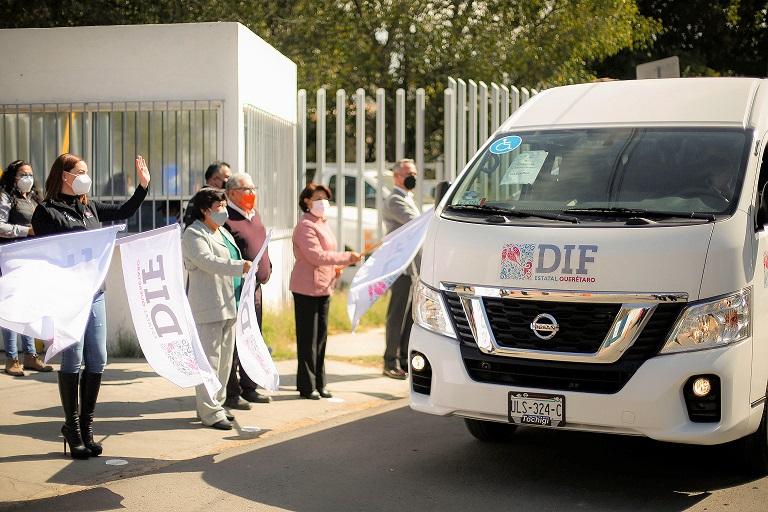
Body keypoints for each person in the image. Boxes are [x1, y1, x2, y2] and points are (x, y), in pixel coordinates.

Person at [32, 153, 150, 459]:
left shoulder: (89, 206)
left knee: (97, 358)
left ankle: (86, 426)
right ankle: (71, 428)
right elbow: (47, 254)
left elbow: (123, 211)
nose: (86, 176)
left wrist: (143, 186)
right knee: (72, 360)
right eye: (80, 171)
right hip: (67, 297)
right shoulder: (46, 211)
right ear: (64, 176)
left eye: (87, 170)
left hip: (95, 293)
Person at [181, 188, 251, 430]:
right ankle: (209, 411)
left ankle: (217, 405)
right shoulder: (193, 234)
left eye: (224, 205)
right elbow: (207, 261)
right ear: (204, 210)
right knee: (209, 362)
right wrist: (239, 267)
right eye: (218, 206)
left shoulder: (222, 231)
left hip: (228, 303)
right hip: (208, 306)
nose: (223, 210)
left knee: (223, 363)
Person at [290, 183, 360, 399]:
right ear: (306, 201)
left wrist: (336, 267)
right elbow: (316, 256)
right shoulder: (305, 226)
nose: (323, 202)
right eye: (318, 198)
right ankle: (307, 385)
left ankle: (320, 383)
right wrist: (346, 258)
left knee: (320, 338)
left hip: (324, 287)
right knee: (307, 339)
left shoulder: (322, 223)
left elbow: (326, 255)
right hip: (306, 288)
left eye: (325, 198)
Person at [223, 173, 272, 407]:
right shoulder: (226, 219)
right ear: (232, 193)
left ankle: (249, 386)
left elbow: (261, 244)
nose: (252, 193)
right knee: (234, 342)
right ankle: (231, 393)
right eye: (246, 189)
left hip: (256, 290)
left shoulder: (254, 215)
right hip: (236, 290)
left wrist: (267, 267)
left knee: (253, 338)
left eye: (254, 188)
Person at [0, 160, 52, 376]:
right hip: (9, 259)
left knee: (28, 308)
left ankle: (30, 356)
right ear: (13, 177)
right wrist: (25, 231)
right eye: (23, 174)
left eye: (30, 174)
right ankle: (12, 358)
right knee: (12, 309)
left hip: (31, 260)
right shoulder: (4, 197)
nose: (28, 178)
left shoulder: (32, 199)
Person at [381, 159, 420, 379]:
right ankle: (390, 361)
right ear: (396, 176)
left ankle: (404, 358)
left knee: (409, 315)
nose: (412, 176)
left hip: (412, 267)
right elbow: (414, 221)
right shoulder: (395, 199)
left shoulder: (407, 197)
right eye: (407, 173)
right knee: (397, 315)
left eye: (414, 172)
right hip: (400, 267)